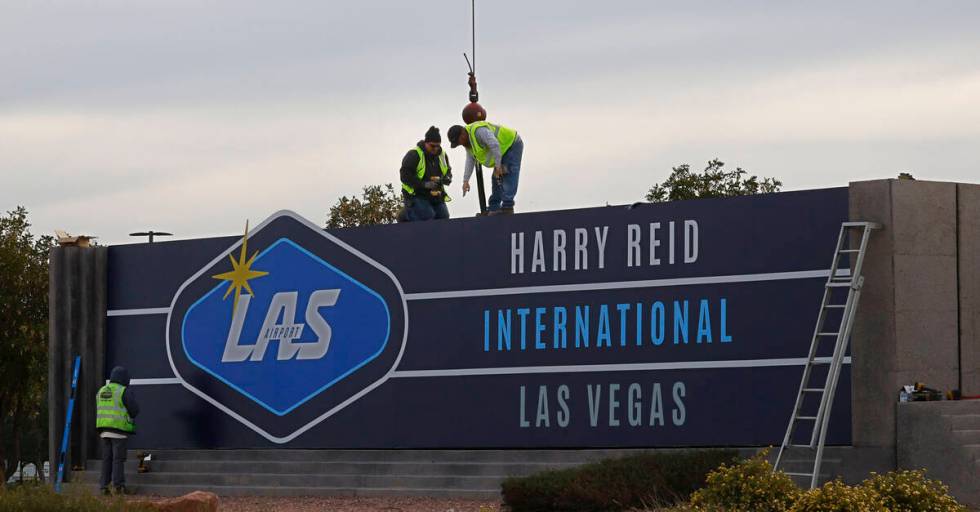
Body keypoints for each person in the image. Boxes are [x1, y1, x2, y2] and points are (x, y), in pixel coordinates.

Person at [447, 121, 523, 215]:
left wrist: (498, 166)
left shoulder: (479, 131)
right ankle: (494, 208)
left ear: (463, 134)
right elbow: (470, 161)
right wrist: (465, 181)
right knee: (496, 178)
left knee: (508, 173)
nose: (460, 144)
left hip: (511, 144)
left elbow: (494, 144)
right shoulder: (468, 143)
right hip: (501, 150)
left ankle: (507, 207)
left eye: (459, 142)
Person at [96, 366, 139, 495]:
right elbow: (135, 410)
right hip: (118, 430)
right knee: (118, 459)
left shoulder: (102, 390)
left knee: (107, 459)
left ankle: (104, 487)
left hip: (104, 430)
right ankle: (118, 487)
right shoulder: (122, 391)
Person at [399, 126, 452, 221]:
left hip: (436, 195)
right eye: (432, 146)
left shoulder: (442, 155)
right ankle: (405, 214)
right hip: (416, 195)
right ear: (426, 143)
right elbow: (405, 176)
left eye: (438, 146)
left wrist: (447, 178)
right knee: (427, 217)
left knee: (444, 218)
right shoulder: (414, 154)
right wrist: (424, 184)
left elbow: (448, 171)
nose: (435, 148)